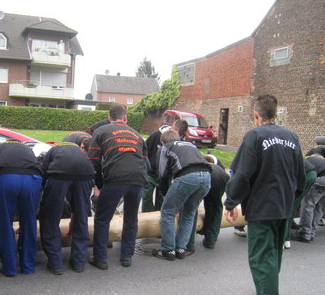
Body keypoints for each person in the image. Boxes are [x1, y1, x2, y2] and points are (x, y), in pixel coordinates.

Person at [224, 94, 305, 295]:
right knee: (274, 255)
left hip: (263, 207)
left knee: (261, 258)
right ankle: (266, 291)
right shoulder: (292, 137)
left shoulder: (255, 136)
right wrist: (294, 202)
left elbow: (242, 174)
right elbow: (301, 176)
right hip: (284, 207)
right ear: (275, 114)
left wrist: (231, 202)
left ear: (256, 115)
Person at [88, 104, 147, 269]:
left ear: (109, 118)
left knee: (102, 219)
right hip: (138, 179)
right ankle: (127, 256)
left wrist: (99, 184)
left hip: (115, 179)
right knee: (131, 218)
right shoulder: (137, 134)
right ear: (125, 117)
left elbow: (93, 161)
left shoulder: (101, 131)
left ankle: (100, 259)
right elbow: (144, 161)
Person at [152, 128, 211, 261]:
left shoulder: (165, 147)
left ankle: (168, 249)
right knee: (189, 214)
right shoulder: (190, 144)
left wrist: (164, 193)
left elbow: (162, 174)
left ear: (162, 142)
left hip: (188, 176)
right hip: (207, 177)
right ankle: (180, 248)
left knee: (168, 212)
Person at [0, 139, 43, 277]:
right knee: (29, 221)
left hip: (7, 178)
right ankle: (28, 266)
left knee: (5, 223)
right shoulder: (27, 149)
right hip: (32, 179)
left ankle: (9, 267)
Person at [40, 141, 95, 274]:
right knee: (81, 215)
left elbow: (43, 175)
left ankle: (55, 263)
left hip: (59, 173)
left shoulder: (52, 151)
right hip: (85, 173)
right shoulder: (79, 152)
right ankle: (78, 262)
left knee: (50, 217)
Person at [292, 154, 325, 243]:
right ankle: (311, 232)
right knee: (320, 207)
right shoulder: (323, 162)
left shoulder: (307, 160)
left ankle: (304, 233)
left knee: (308, 205)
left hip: (324, 178)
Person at [186, 155, 229, 251]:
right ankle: (210, 240)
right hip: (220, 181)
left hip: (203, 179)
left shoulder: (201, 167)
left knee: (192, 209)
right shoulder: (221, 170)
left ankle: (189, 242)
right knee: (215, 208)